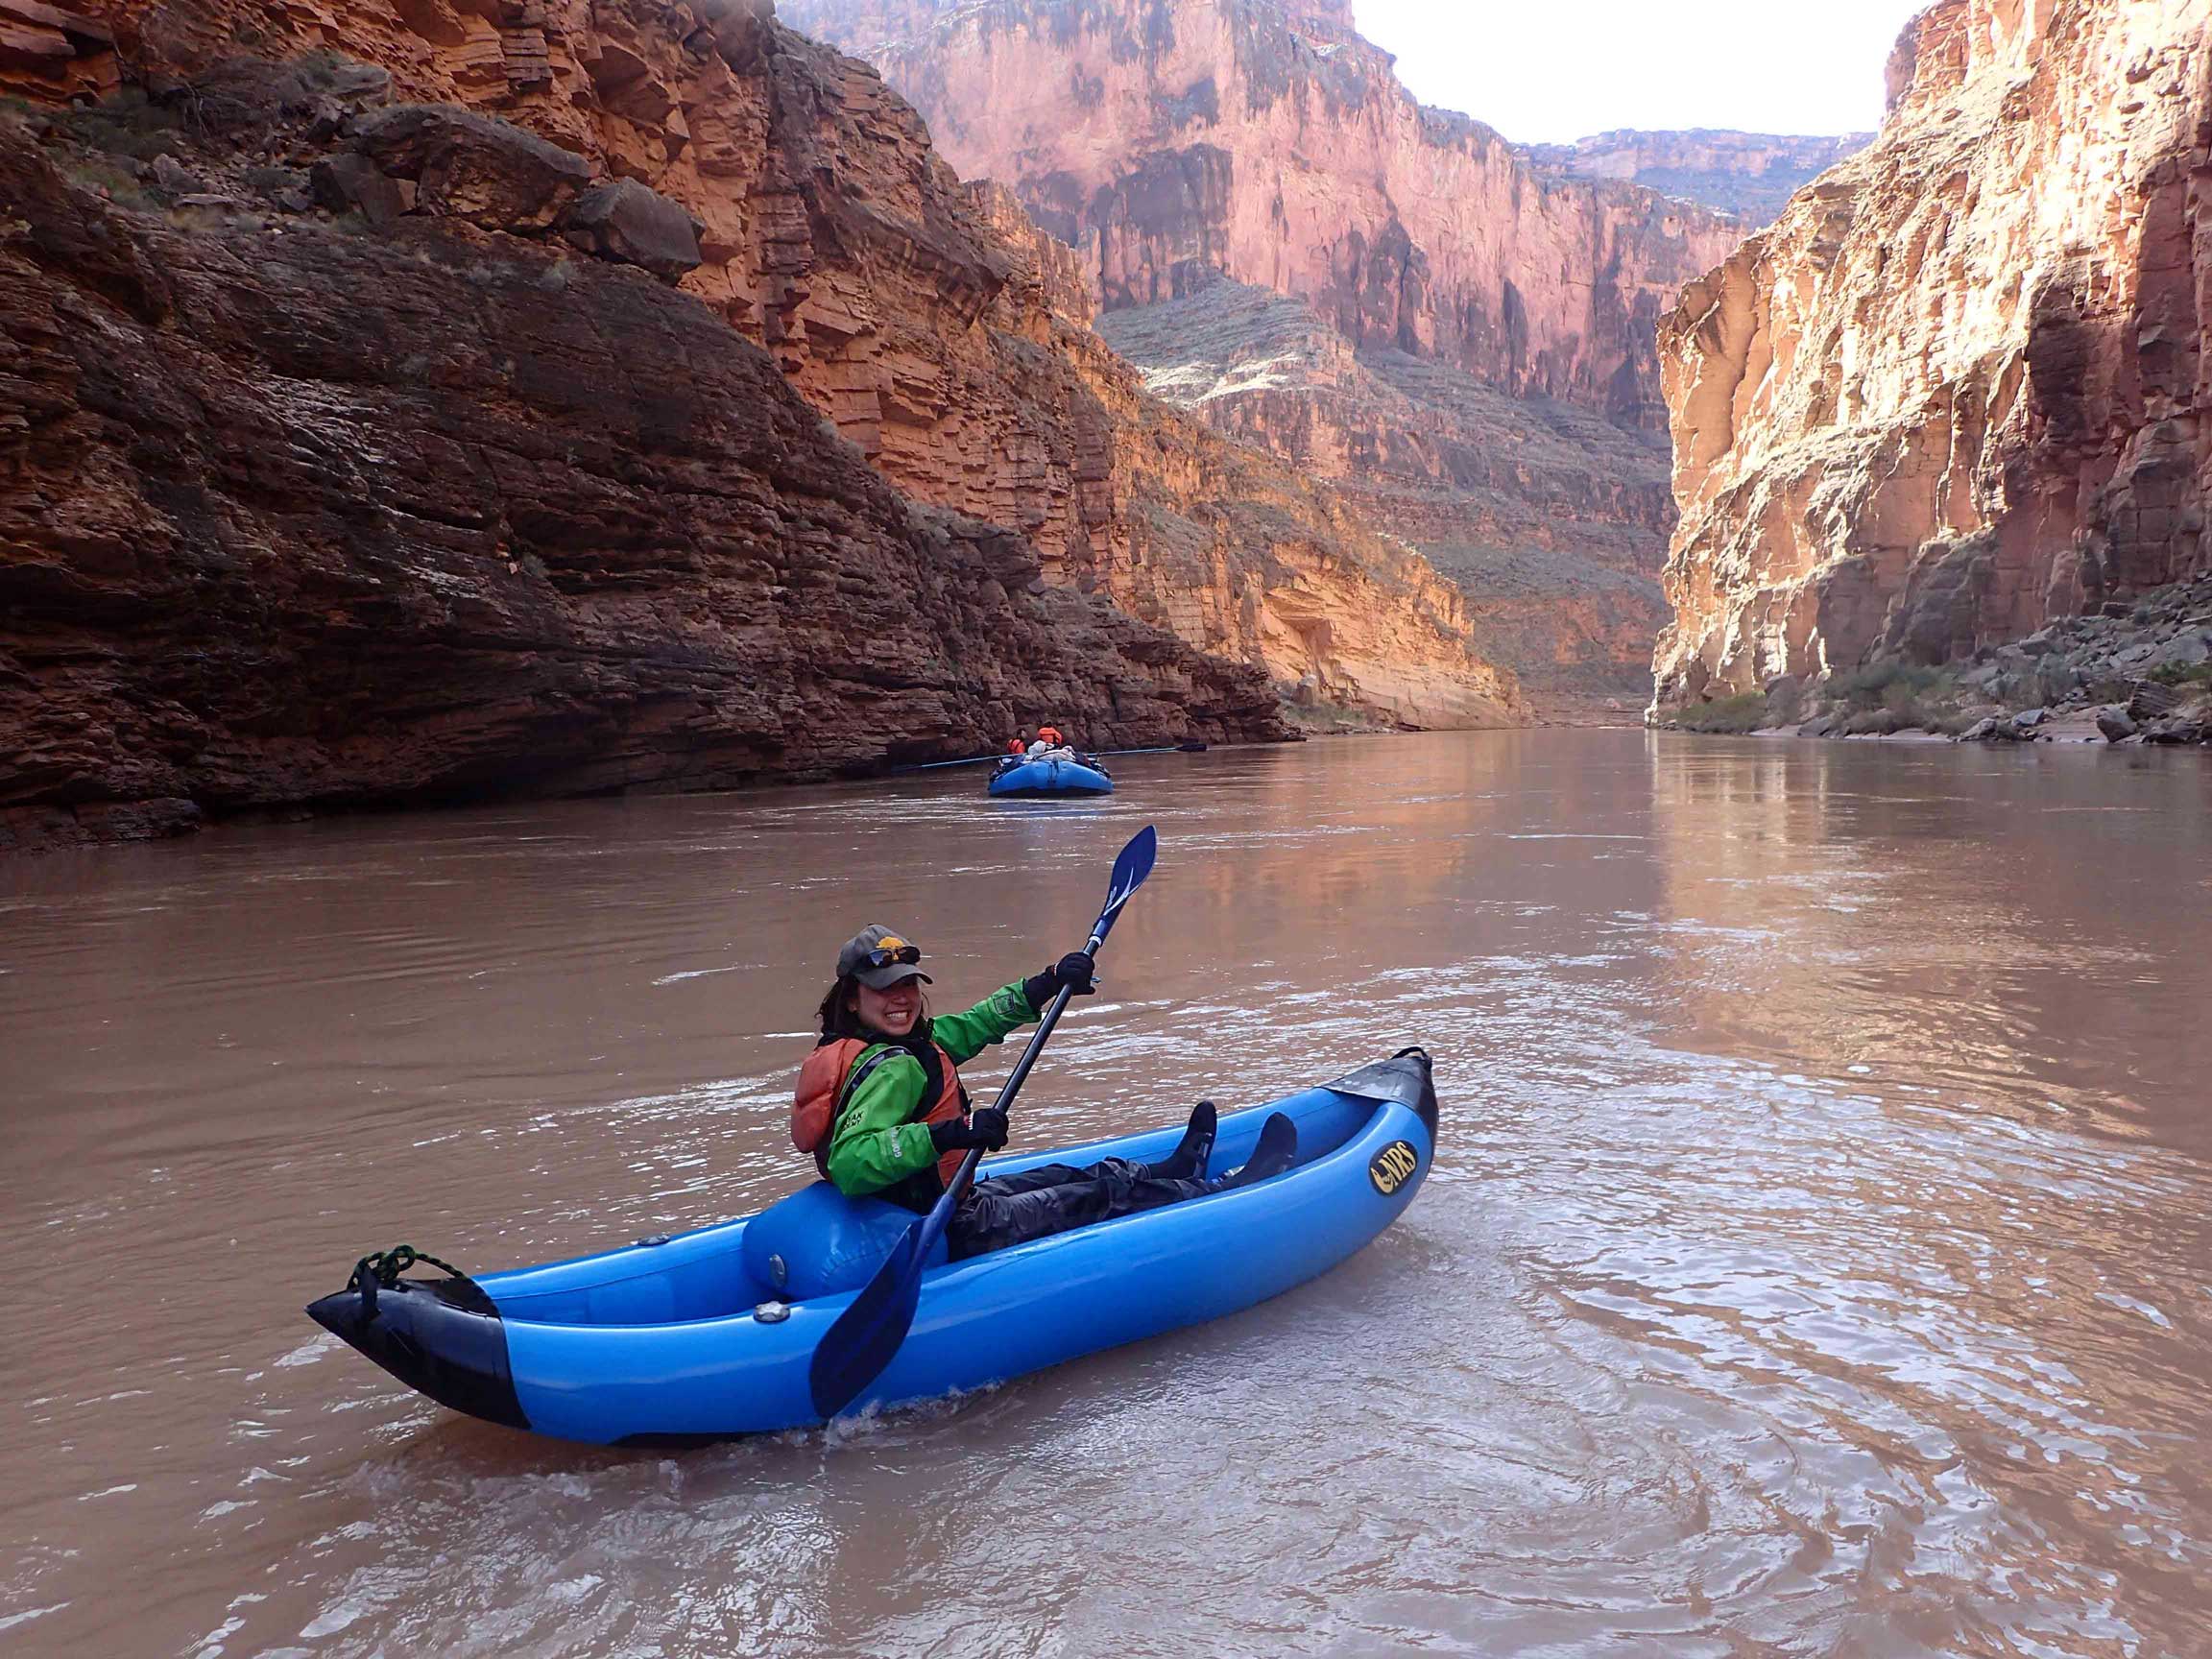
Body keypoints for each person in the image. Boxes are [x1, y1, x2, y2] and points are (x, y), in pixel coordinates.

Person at [793, 926, 1296, 1258]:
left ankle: (1172, 1172)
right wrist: (951, 1134)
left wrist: (1046, 983)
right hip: (951, 1225)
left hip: (946, 1199)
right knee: (1093, 1196)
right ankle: (1225, 1191)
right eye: (884, 988)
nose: (900, 998)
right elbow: (851, 1164)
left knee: (1062, 1174)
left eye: (906, 984)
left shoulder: (882, 1047)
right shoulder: (892, 1070)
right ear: (853, 998)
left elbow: (976, 1024)